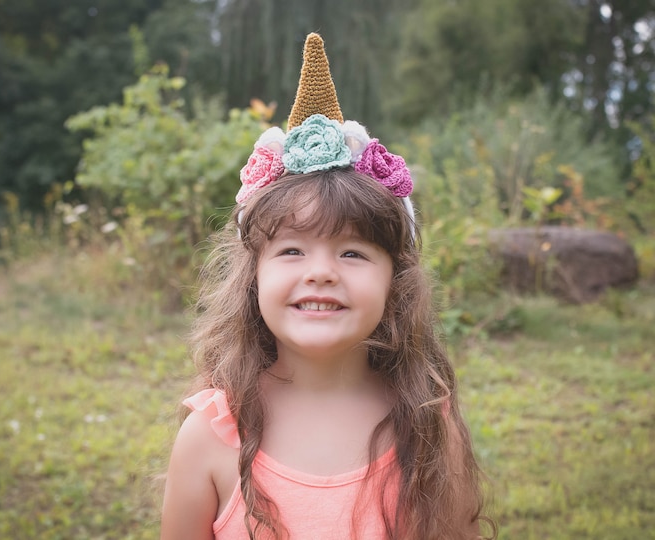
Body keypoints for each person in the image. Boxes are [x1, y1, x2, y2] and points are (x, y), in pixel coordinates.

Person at [160, 33, 496, 540]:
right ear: (253, 277)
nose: (321, 272)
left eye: (353, 253)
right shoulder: (210, 436)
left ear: (396, 281)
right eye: (292, 251)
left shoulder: (427, 425)